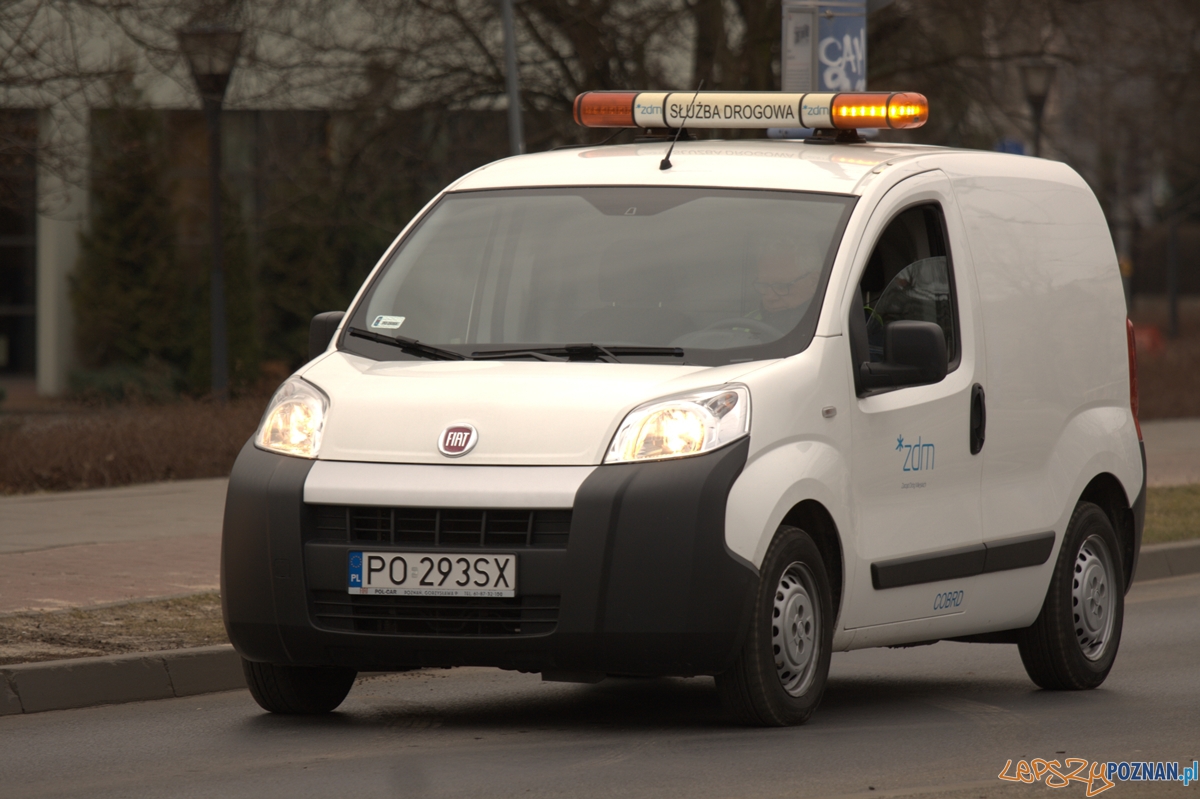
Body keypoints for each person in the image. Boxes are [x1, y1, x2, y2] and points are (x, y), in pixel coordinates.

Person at [748, 237, 821, 332]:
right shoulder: (744, 324)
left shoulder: (832, 325)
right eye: (764, 285)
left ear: (814, 282)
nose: (769, 297)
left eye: (781, 286)